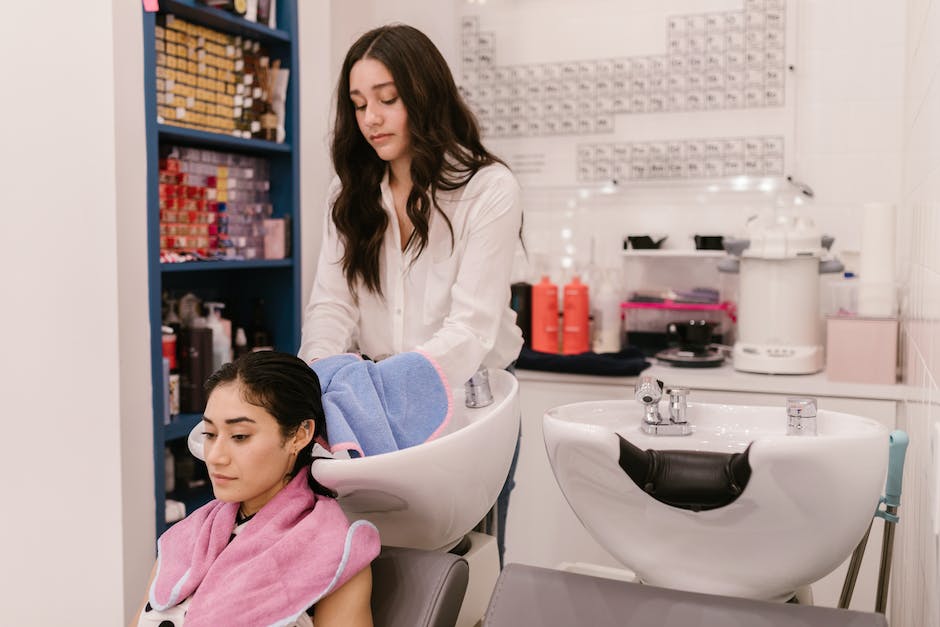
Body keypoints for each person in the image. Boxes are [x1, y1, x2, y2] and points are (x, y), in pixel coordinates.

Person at [298, 24, 524, 566]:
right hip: (371, 416)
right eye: (358, 104)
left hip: (467, 409)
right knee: (376, 569)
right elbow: (331, 307)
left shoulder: (487, 190)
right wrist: (311, 388)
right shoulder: (348, 196)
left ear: (424, 95)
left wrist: (383, 389)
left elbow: (472, 329)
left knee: (462, 571)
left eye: (387, 99)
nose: (370, 119)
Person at [133, 351, 379, 627]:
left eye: (239, 436)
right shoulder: (185, 539)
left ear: (300, 434)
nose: (215, 456)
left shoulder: (332, 553)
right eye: (210, 434)